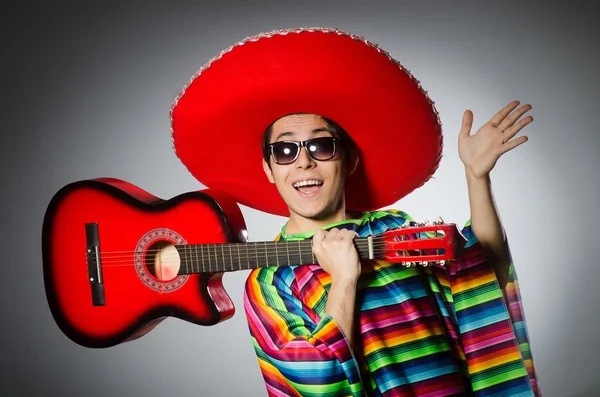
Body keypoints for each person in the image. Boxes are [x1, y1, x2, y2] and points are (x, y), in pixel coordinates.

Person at [170, 27, 541, 396]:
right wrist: (345, 279)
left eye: (321, 146)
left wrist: (477, 177)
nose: (303, 163)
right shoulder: (269, 284)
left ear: (348, 161)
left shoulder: (394, 228)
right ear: (269, 169)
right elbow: (318, 386)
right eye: (285, 152)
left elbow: (483, 270)